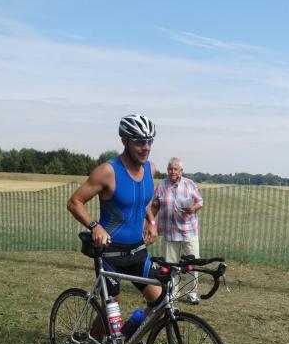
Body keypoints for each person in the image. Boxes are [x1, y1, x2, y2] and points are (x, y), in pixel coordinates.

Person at [67, 114, 161, 309]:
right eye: (139, 141)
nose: (146, 147)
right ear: (125, 141)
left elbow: (140, 202)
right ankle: (100, 329)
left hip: (138, 250)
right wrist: (95, 226)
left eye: (149, 141)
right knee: (111, 314)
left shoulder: (150, 169)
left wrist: (151, 221)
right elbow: (75, 202)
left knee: (161, 302)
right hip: (110, 253)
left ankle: (134, 329)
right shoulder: (108, 171)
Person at [150, 157, 204, 304]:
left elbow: (200, 202)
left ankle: (192, 293)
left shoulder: (189, 184)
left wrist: (193, 208)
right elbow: (154, 205)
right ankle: (172, 293)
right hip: (170, 232)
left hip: (189, 231)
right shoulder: (162, 185)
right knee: (170, 265)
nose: (172, 171)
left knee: (193, 263)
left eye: (175, 169)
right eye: (170, 169)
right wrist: (150, 223)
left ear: (181, 171)